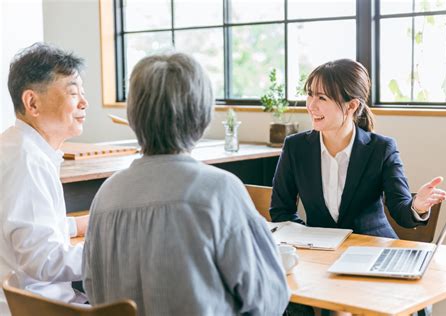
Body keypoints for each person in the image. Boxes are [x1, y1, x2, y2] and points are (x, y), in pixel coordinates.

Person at [83, 52, 290, 316]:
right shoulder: (219, 191)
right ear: (202, 115)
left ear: (133, 116)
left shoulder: (106, 195)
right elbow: (269, 298)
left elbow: (92, 287)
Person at [270, 59, 446, 238]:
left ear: (352, 105)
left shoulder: (382, 149)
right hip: (320, 253)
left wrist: (417, 206)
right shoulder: (295, 147)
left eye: (322, 97)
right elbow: (281, 211)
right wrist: (309, 237)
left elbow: (401, 212)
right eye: (310, 95)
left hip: (373, 248)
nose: (311, 105)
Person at [0, 43, 90, 314]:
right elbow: (44, 260)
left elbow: (26, 227)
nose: (84, 103)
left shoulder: (17, 147)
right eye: (73, 93)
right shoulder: (27, 161)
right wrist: (113, 251)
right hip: (38, 307)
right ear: (32, 103)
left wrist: (76, 226)